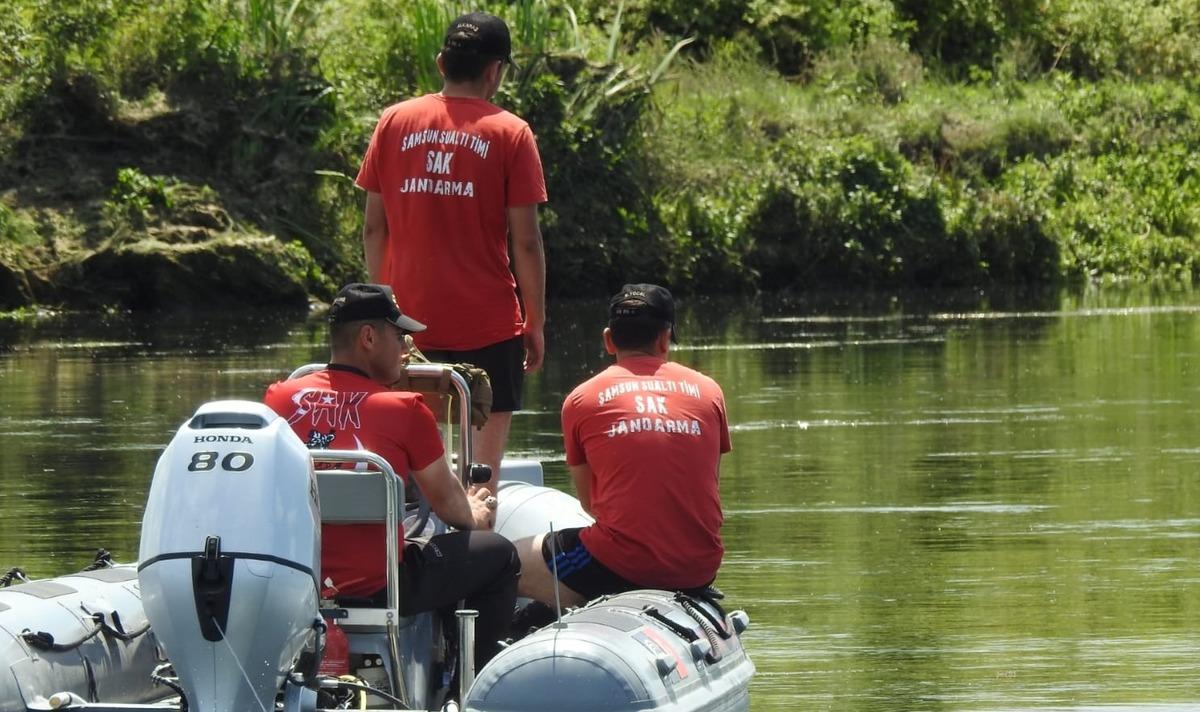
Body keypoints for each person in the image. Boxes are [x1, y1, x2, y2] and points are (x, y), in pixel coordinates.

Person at [263, 282, 520, 670]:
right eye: (400, 336)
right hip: (379, 586)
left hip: (297, 582)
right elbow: (452, 511)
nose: (406, 349)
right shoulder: (405, 409)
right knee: (499, 554)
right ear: (368, 337)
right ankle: (466, 684)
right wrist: (476, 514)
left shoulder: (279, 398)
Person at [355, 11, 547, 492]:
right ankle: (477, 554)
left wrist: (384, 311)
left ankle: (401, 559)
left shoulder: (394, 122)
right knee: (481, 481)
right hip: (488, 324)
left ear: (442, 62)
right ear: (494, 72)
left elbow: (374, 230)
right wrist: (535, 322)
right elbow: (525, 239)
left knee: (402, 469)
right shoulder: (512, 133)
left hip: (406, 326)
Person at [513, 284, 731, 610]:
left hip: (619, 566)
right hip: (698, 568)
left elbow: (592, 503)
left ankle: (489, 647)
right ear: (664, 338)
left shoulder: (582, 399)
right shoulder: (709, 391)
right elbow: (707, 486)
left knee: (505, 561)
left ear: (608, 339)